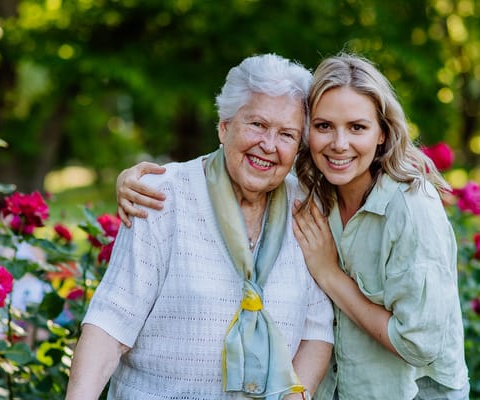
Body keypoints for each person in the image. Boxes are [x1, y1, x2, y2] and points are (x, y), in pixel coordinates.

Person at [116, 53, 470, 400]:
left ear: (381, 132)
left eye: (357, 127)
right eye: (323, 126)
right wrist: (139, 179)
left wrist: (330, 275)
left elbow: (418, 343)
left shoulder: (410, 208)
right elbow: (246, 146)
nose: (339, 143)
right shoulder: (313, 190)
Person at [65, 54, 334, 400]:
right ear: (224, 126)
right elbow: (111, 323)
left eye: (286, 134)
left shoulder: (305, 207)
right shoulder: (164, 197)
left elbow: (316, 327)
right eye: (257, 125)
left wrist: (297, 395)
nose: (269, 145)